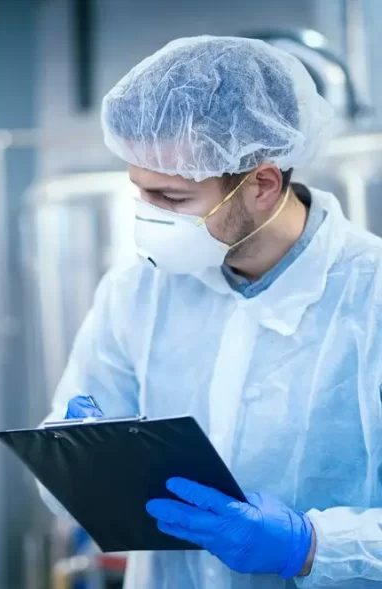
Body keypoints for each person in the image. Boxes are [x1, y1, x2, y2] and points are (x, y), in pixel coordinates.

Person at [39, 35, 382, 588]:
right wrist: (74, 461)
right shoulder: (136, 291)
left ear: (264, 184)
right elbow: (63, 486)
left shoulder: (371, 298)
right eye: (139, 191)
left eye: (172, 199)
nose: (147, 219)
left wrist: (310, 546)